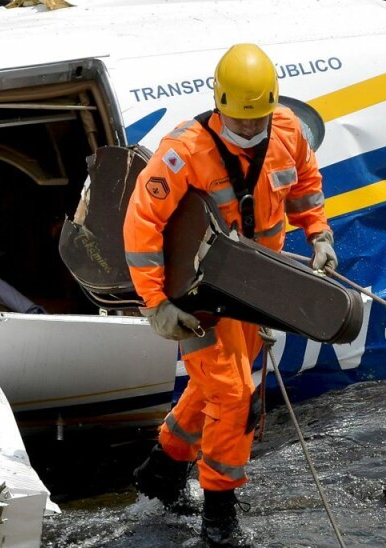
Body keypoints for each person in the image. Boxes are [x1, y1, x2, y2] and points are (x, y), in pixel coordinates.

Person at [123, 43, 338, 547]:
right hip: (198, 295)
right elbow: (142, 225)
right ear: (218, 104)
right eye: (238, 121)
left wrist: (319, 234)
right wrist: (156, 303)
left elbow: (305, 183)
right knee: (235, 396)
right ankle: (219, 514)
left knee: (219, 387)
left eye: (256, 119)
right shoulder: (184, 152)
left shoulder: (288, 133)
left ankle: (161, 470)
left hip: (255, 287)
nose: (247, 129)